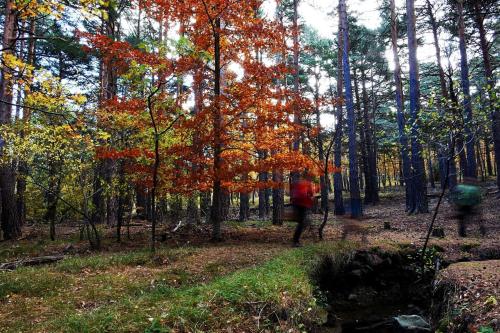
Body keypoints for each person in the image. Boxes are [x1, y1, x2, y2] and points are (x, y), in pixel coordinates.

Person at [290, 174, 314, 247]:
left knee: (301, 222)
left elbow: (292, 193)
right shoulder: (308, 183)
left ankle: (296, 239)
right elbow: (311, 193)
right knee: (302, 223)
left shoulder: (298, 183)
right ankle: (295, 241)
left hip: (296, 204)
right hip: (302, 204)